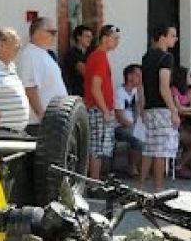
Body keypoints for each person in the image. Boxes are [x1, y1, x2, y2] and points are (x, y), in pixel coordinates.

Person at [140, 25, 181, 192]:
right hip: (161, 108)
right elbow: (164, 87)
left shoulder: (146, 57)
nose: (175, 39)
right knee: (161, 150)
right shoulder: (166, 57)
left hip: (149, 107)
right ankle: (159, 188)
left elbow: (142, 85)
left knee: (149, 148)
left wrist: (142, 106)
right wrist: (174, 110)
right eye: (172, 35)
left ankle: (141, 185)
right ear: (162, 37)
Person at [17, 16, 68, 135]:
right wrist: (41, 115)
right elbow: (30, 87)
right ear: (37, 32)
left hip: (52, 120)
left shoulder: (43, 54)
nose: (55, 36)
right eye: (52, 32)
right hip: (40, 123)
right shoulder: (31, 55)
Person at [83, 24, 120, 180]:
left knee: (98, 148)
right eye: (115, 38)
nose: (117, 42)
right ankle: (93, 183)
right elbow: (95, 88)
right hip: (97, 109)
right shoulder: (99, 57)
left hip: (99, 108)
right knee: (96, 149)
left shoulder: (100, 56)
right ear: (104, 39)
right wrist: (105, 110)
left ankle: (94, 181)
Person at [114, 64, 144, 178]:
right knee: (138, 139)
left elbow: (138, 107)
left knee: (147, 135)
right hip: (119, 127)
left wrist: (137, 123)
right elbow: (119, 116)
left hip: (131, 125)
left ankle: (142, 166)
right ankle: (132, 167)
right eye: (138, 75)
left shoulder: (135, 91)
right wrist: (133, 126)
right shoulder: (119, 92)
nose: (140, 78)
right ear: (129, 76)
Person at [61, 24, 93, 97]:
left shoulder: (89, 53)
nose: (90, 39)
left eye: (91, 37)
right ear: (78, 37)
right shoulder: (72, 53)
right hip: (76, 93)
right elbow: (84, 71)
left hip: (87, 92)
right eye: (87, 36)